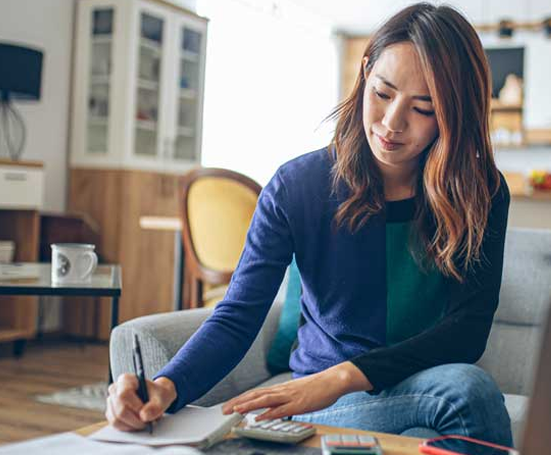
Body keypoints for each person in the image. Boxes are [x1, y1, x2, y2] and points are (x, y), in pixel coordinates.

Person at [106, 2, 513, 445]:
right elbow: (238, 316)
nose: (392, 123)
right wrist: (164, 388)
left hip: (412, 384)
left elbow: (468, 331)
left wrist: (341, 376)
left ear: (455, 114)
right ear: (364, 73)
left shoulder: (480, 191)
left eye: (424, 108)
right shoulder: (298, 186)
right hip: (328, 402)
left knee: (448, 404)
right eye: (382, 93)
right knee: (465, 397)